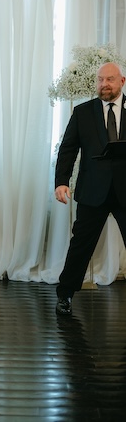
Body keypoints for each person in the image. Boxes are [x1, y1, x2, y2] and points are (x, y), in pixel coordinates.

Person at [55, 62, 126, 316]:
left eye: (109, 79)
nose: (104, 84)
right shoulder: (83, 112)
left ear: (122, 81)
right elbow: (68, 149)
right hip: (92, 190)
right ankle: (64, 295)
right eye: (100, 80)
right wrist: (61, 181)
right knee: (80, 246)